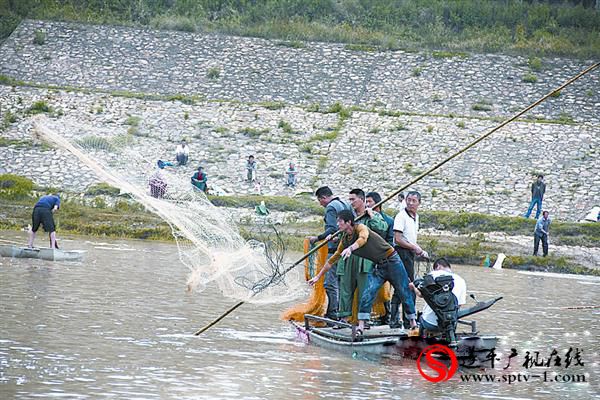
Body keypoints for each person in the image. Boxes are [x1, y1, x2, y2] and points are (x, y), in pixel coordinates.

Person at [308, 210, 417, 335]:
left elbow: (363, 239)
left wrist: (351, 248)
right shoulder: (345, 240)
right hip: (379, 266)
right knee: (368, 292)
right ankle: (361, 326)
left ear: (349, 222)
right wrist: (318, 276)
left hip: (393, 261)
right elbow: (331, 261)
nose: (337, 225)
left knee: (404, 291)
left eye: (340, 222)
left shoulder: (361, 228)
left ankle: (413, 323)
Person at [335, 189, 388, 323]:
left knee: (365, 290)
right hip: (348, 256)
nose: (351, 202)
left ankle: (363, 320)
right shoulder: (348, 216)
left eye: (353, 199)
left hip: (365, 258)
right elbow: (343, 233)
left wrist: (372, 216)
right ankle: (344, 318)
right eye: (350, 200)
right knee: (345, 289)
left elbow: (383, 228)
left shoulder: (373, 215)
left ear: (362, 199)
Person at [308, 186, 352, 320]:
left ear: (323, 198)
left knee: (329, 283)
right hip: (346, 249)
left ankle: (332, 313)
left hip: (335, 250)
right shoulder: (345, 204)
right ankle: (341, 312)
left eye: (320, 201)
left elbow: (332, 229)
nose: (320, 204)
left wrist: (317, 238)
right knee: (340, 283)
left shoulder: (331, 207)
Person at [393, 190, 428, 328]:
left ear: (419, 203)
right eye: (409, 200)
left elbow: (411, 238)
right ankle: (406, 320)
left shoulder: (415, 216)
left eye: (414, 201)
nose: (411, 203)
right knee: (407, 285)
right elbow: (398, 239)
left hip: (409, 253)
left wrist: (420, 250)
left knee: (405, 285)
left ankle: (402, 318)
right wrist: (414, 248)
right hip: (401, 252)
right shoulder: (401, 216)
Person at [409, 258, 466, 334]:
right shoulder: (461, 280)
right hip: (450, 324)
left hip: (430, 323)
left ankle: (420, 340)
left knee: (421, 318)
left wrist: (413, 287)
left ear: (438, 266)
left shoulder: (433, 275)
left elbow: (420, 294)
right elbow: (459, 305)